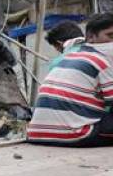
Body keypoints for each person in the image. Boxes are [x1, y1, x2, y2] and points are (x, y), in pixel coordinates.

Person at [28, 13, 113, 147]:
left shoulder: (69, 56)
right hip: (75, 134)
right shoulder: (103, 60)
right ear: (90, 38)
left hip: (37, 133)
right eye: (110, 36)